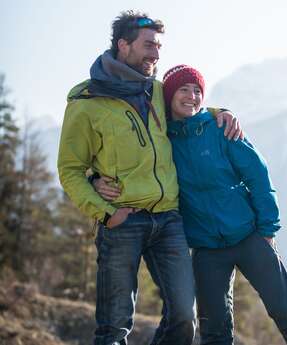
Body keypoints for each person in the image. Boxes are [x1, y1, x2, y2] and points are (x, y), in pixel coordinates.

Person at [95, 64, 287, 345]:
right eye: (184, 89)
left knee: (284, 310)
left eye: (197, 90)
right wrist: (95, 178)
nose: (192, 96)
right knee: (214, 331)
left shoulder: (220, 128)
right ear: (168, 96)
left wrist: (267, 228)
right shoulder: (162, 140)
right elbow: (127, 158)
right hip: (206, 251)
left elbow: (258, 174)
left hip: (250, 236)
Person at [57, 11, 241, 345]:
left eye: (159, 46)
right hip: (121, 220)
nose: (156, 54)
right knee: (113, 328)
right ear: (122, 44)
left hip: (169, 220)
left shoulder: (157, 91)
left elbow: (190, 109)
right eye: (148, 45)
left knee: (184, 318)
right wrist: (105, 212)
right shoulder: (86, 101)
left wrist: (220, 112)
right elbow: (70, 169)